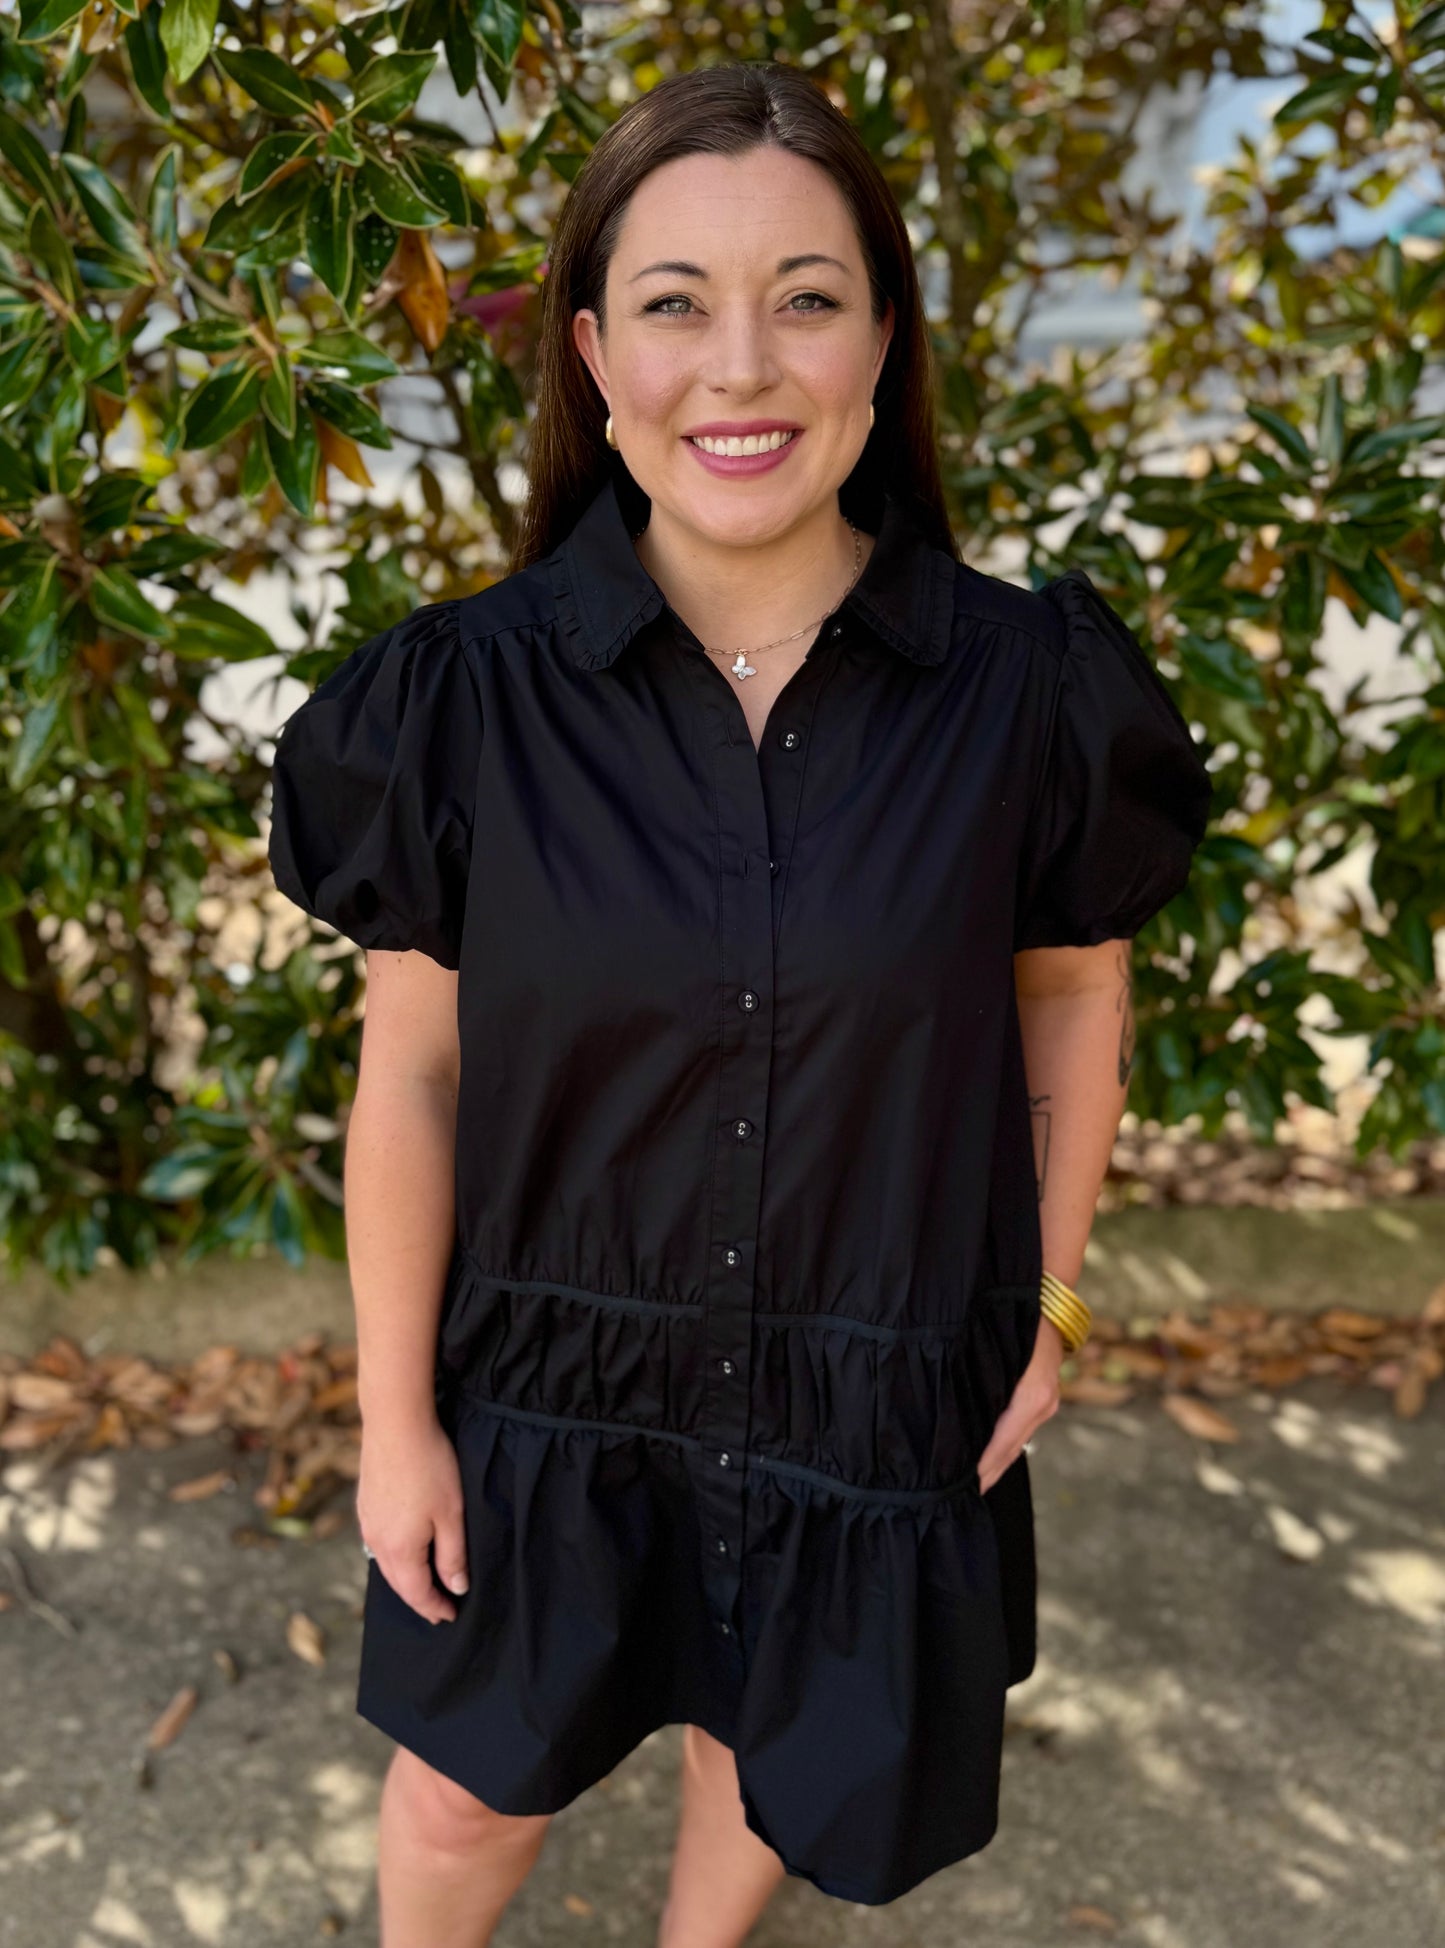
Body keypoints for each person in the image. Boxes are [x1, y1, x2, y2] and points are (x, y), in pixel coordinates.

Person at [266, 57, 1213, 1948]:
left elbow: (1069, 998)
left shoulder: (1028, 693)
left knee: (761, 1756)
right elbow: (415, 1077)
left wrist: (1046, 1300)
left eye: (806, 298)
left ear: (883, 340)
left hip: (873, 1380)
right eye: (676, 305)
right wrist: (395, 1420)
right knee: (461, 1798)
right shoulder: (458, 704)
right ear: (595, 355)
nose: (742, 368)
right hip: (538, 1394)